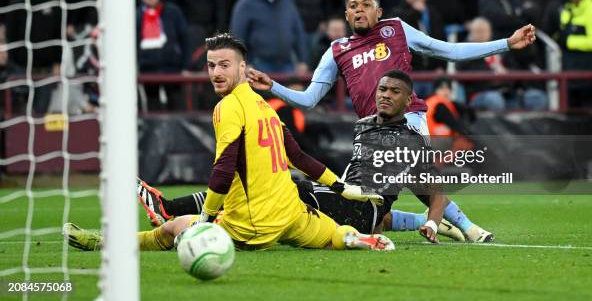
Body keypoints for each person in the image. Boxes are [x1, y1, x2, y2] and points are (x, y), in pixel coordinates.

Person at [247, 0, 536, 241]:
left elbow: (450, 51)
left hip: (408, 119)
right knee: (367, 214)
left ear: (379, 11)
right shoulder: (337, 50)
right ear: (346, 15)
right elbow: (309, 100)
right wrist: (273, 86)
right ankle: (443, 224)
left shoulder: (395, 29)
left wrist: (506, 43)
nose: (359, 10)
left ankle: (466, 228)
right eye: (352, 6)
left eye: (365, 4)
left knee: (400, 177)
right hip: (370, 131)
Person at [65, 34, 394, 251]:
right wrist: (342, 187)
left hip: (250, 226)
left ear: (242, 68)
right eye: (210, 66)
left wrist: (207, 220)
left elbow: (223, 170)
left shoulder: (228, 107)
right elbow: (298, 157)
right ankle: (356, 239)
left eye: (224, 65)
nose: (215, 73)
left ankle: (99, 242)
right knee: (334, 234)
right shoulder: (264, 105)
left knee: (171, 229)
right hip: (293, 215)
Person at [137, 70, 466, 243]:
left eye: (394, 92)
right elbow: (379, 198)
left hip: (361, 209)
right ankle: (188, 218)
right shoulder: (366, 127)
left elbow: (434, 193)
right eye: (382, 89)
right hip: (354, 207)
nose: (385, 95)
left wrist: (433, 224)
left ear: (409, 102)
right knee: (281, 186)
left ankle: (169, 209)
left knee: (284, 186)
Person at [230, 0, 309, 74]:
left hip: (287, 64)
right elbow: (237, 36)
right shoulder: (245, 4)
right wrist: (244, 62)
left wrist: (302, 60)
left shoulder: (287, 2)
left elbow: (298, 32)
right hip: (258, 64)